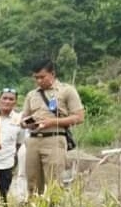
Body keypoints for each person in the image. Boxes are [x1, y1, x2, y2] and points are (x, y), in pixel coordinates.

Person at [21, 59, 84, 195]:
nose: (39, 81)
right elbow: (23, 119)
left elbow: (79, 117)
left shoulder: (66, 91)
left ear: (52, 74)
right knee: (33, 183)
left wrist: (52, 122)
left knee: (54, 183)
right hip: (33, 140)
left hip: (54, 139)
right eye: (36, 78)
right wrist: (27, 123)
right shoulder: (32, 95)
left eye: (42, 77)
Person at [0, 88, 26, 206]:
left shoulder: (19, 120)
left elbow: (19, 142)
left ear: (15, 102)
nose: (7, 101)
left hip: (6, 164)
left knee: (1, 197)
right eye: (4, 98)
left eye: (11, 99)